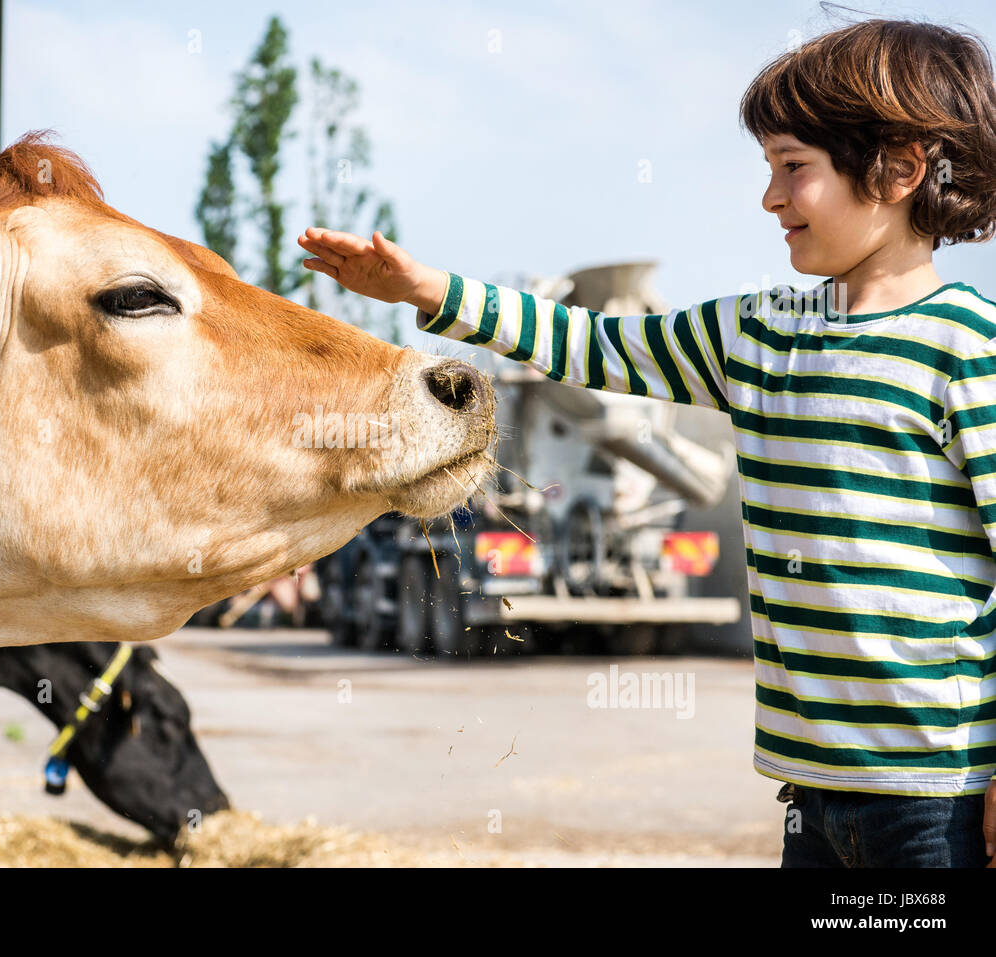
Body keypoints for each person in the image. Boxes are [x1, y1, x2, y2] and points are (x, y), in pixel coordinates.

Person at [297, 17, 996, 868]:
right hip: (810, 794)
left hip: (939, 799)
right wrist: (428, 288)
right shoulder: (755, 335)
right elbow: (589, 344)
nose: (770, 198)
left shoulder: (970, 350)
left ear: (899, 169)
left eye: (792, 168)